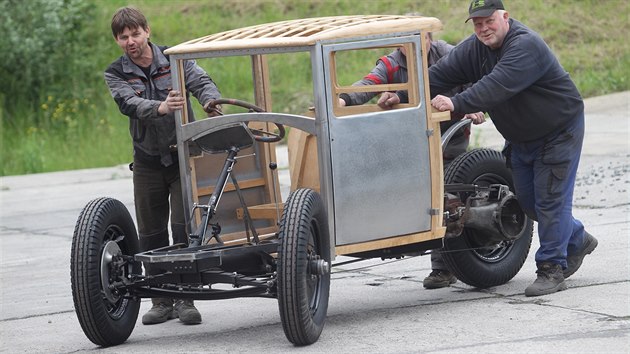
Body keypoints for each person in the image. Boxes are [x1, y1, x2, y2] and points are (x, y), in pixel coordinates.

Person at [403, 0, 597, 297]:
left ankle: (551, 269)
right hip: (521, 138)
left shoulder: (525, 45)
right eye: (477, 23)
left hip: (558, 132)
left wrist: (457, 103)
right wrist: (402, 95)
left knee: (549, 201)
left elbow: (498, 85)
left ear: (505, 17)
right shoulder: (475, 48)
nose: (483, 28)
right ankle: (577, 238)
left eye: (488, 20)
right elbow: (438, 76)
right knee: (529, 203)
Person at [339, 30, 484, 290]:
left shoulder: (450, 54)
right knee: (420, 198)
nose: (413, 46)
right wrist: (342, 99)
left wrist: (473, 103)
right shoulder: (391, 63)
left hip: (449, 140)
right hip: (412, 144)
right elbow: (369, 83)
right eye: (406, 43)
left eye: (419, 39)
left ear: (430, 38)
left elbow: (474, 81)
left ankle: (442, 268)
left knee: (444, 198)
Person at [105, 6, 221, 324]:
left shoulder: (176, 58)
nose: (130, 41)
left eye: (135, 34)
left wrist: (211, 101)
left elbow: (201, 81)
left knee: (184, 228)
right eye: (123, 37)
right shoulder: (115, 72)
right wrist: (160, 106)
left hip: (183, 157)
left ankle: (186, 301)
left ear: (148, 31)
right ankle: (160, 300)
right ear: (118, 40)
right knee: (152, 234)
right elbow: (128, 103)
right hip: (147, 163)